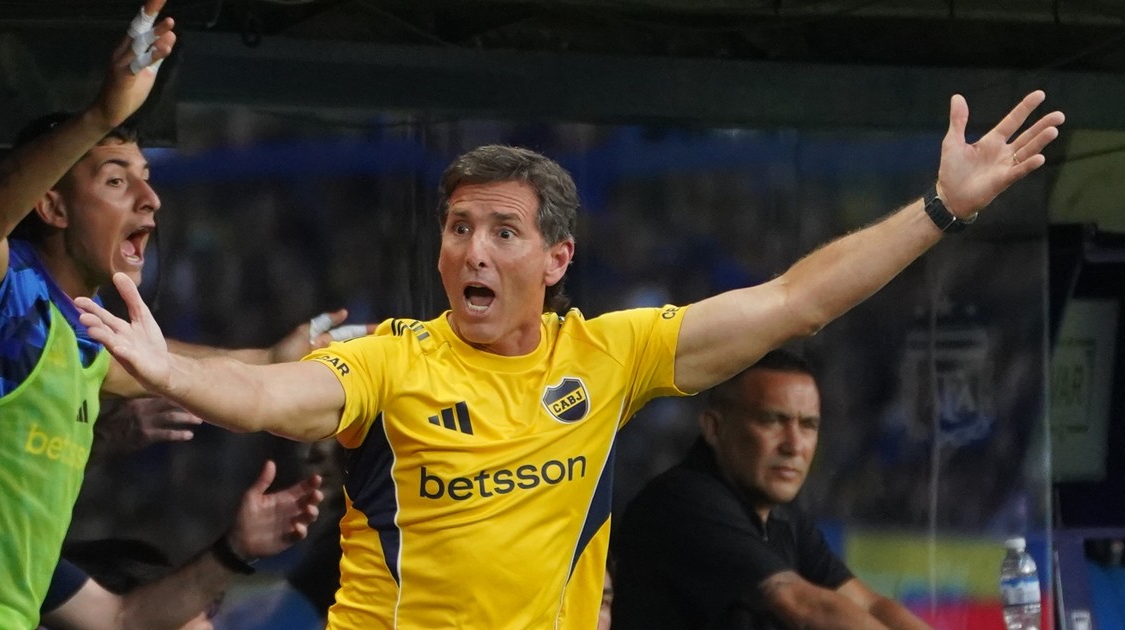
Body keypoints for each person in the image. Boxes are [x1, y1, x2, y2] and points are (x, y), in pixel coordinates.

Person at [75, 91, 1064, 628]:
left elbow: (793, 300)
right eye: (459, 228)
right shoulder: (389, 361)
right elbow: (269, 395)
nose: (472, 251)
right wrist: (171, 370)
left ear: (556, 259)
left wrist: (941, 209)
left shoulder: (609, 356)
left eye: (502, 232)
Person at [0, 2, 353, 627]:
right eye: (116, 180)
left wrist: (269, 360)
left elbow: (158, 362)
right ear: (52, 206)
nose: (151, 198)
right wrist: (101, 114)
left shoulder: (84, 334)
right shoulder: (5, 302)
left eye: (147, 178)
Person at [611, 349, 931, 629]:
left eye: (808, 425)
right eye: (772, 421)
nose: (794, 445)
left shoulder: (782, 517)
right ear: (714, 428)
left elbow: (870, 605)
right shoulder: (684, 502)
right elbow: (804, 606)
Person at [40, 460, 324, 630]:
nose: (209, 626)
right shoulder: (24, 568)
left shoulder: (33, 565)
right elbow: (125, 619)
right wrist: (235, 550)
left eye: (208, 613)